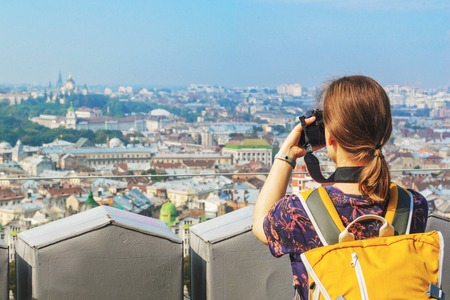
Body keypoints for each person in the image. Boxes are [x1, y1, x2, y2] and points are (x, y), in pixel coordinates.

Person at [252, 75, 428, 300]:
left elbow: (260, 227)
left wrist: (286, 154)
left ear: (330, 137)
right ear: (385, 134)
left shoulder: (298, 212)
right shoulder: (413, 206)